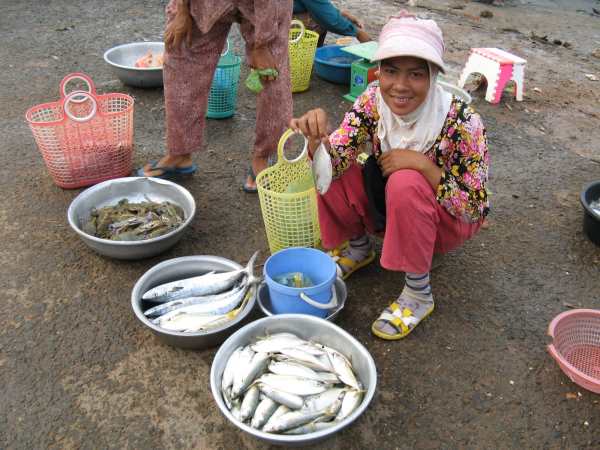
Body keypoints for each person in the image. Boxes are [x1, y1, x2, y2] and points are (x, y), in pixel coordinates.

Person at [289, 11, 490, 340]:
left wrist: (424, 166)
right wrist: (317, 141)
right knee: (334, 161)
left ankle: (418, 293)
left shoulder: (461, 120)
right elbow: (337, 162)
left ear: (433, 75)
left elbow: (474, 207)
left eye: (415, 74)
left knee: (407, 179)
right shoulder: (372, 99)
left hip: (446, 220)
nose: (400, 86)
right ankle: (358, 248)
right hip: (394, 207)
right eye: (391, 70)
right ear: (378, 70)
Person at [136, 0, 293, 193]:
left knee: (271, 70)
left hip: (268, 6)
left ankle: (264, 156)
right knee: (181, 47)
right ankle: (179, 153)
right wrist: (183, 11)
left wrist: (262, 44)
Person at [292, 0, 372, 47]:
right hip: (284, 26)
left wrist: (343, 14)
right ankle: (302, 56)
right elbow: (329, 20)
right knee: (320, 22)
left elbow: (320, 5)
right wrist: (358, 33)